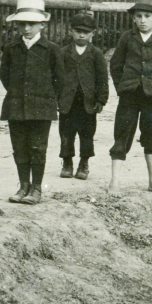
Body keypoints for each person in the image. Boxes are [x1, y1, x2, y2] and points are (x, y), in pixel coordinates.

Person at [108, 0, 152, 196]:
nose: (143, 20)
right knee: (122, 135)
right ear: (133, 18)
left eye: (147, 16)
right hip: (129, 95)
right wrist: (123, 87)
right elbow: (115, 65)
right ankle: (114, 182)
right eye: (138, 16)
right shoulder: (127, 38)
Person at [0, 0, 62, 205]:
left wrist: (45, 97)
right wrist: (18, 93)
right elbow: (5, 76)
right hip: (16, 104)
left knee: (37, 147)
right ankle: (23, 185)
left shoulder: (51, 49)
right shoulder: (11, 48)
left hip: (41, 106)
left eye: (31, 24)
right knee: (19, 146)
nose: (26, 28)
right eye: (22, 24)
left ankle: (36, 188)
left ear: (42, 25)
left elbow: (59, 79)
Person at [58, 11, 109, 181]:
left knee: (87, 134)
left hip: (88, 102)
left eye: (86, 32)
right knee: (66, 133)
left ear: (92, 34)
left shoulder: (96, 54)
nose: (81, 34)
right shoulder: (63, 52)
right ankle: (67, 163)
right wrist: (55, 98)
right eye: (78, 30)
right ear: (71, 31)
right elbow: (56, 76)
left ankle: (84, 163)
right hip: (68, 101)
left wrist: (101, 99)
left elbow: (102, 78)